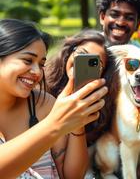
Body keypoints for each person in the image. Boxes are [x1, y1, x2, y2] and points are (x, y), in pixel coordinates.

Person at [0, 19, 107, 178]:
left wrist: (77, 124)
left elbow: (72, 176)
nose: (37, 72)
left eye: (41, 64)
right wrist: (56, 124)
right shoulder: (54, 116)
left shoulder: (43, 104)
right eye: (28, 60)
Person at [44, 29, 119, 177]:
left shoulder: (99, 104)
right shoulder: (42, 85)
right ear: (70, 52)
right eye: (81, 53)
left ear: (103, 73)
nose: (83, 63)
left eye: (94, 63)